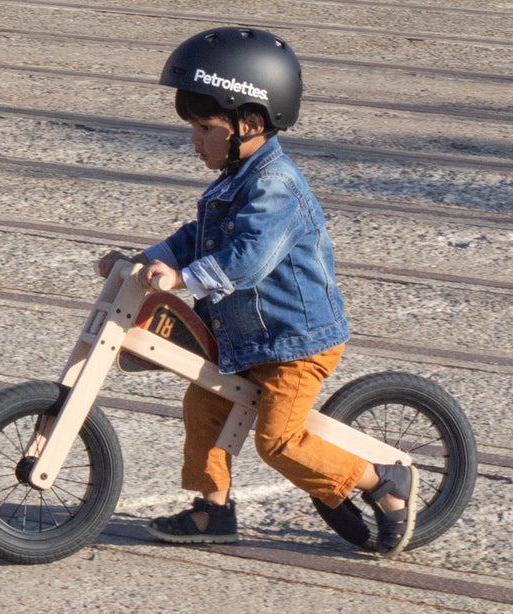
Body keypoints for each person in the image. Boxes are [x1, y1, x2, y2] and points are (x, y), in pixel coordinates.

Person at [97, 27, 418, 557]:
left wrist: (182, 279)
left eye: (204, 127)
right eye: (192, 127)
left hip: (295, 342)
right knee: (201, 404)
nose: (194, 139)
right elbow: (191, 239)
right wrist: (146, 260)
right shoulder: (233, 177)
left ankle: (383, 484)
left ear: (250, 122)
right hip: (244, 338)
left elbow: (248, 259)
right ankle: (212, 509)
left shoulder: (276, 186)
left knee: (280, 442)